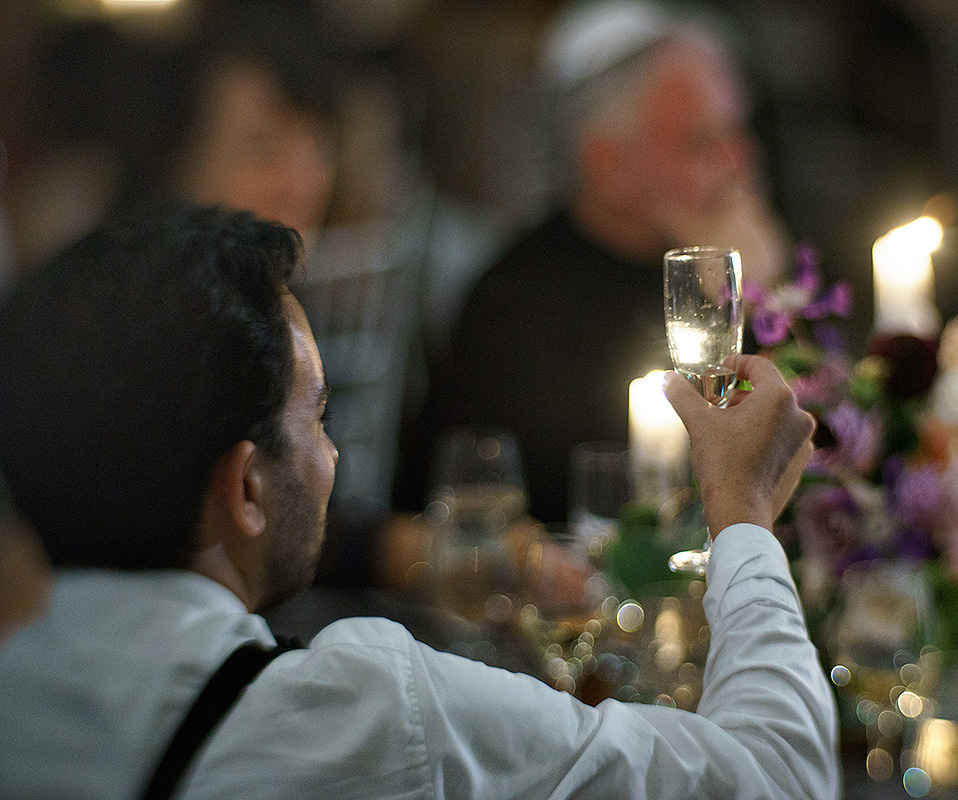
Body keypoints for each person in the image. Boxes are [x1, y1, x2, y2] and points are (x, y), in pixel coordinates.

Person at [0, 202, 838, 799]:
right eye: (318, 416)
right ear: (248, 488)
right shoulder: (358, 716)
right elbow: (778, 779)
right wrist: (745, 513)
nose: (330, 456)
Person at [401, 0, 794, 524]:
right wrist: (736, 305)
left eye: (738, 130)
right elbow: (646, 504)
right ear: (607, 163)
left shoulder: (744, 246)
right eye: (702, 143)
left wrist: (767, 297)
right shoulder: (518, 307)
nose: (739, 163)